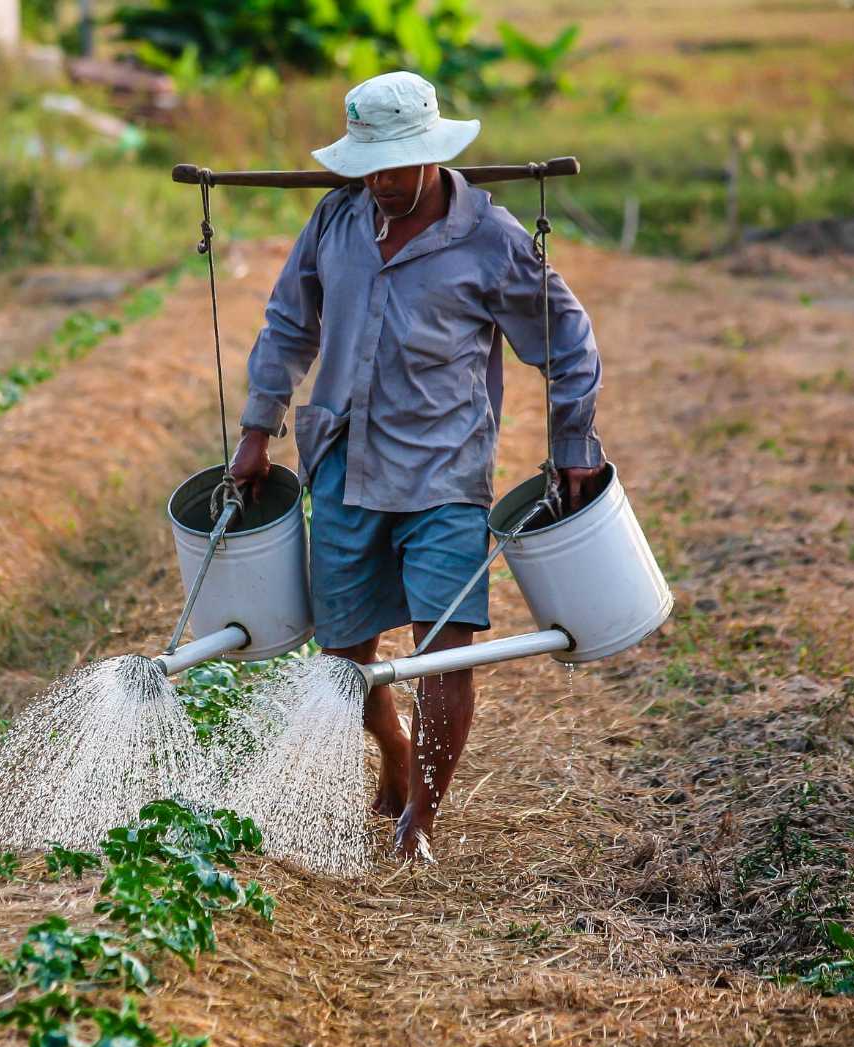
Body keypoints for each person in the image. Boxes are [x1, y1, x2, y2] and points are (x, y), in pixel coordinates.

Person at [227, 71, 605, 862]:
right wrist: (258, 429)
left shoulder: (490, 240)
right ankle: (395, 753)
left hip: (445, 472)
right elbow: (288, 324)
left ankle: (418, 825)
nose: (382, 183)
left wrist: (572, 445)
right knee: (344, 657)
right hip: (342, 463)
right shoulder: (336, 220)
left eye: (396, 167)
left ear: (433, 156)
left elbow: (567, 342)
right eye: (369, 166)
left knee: (446, 648)